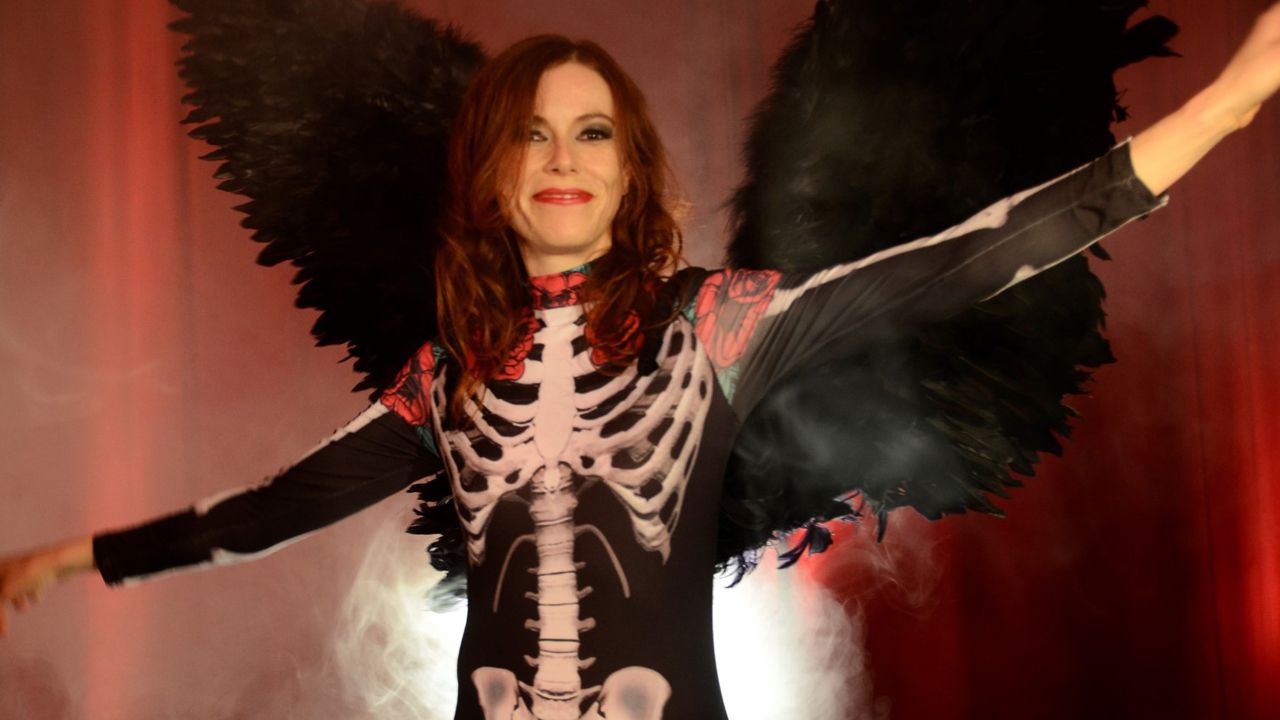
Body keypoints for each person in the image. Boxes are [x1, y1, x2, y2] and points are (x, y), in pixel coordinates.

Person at [3, 6, 1279, 719]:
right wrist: (74, 559)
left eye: (593, 132)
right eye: (531, 134)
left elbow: (967, 257)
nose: (562, 156)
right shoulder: (448, 375)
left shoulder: (717, 325)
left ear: (629, 172)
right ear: (492, 175)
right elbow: (266, 513)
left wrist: (1218, 106)